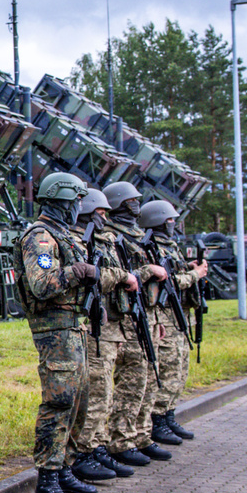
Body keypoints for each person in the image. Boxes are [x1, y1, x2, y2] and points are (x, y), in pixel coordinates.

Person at [17, 172, 100, 493]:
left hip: (72, 327)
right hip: (54, 330)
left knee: (78, 400)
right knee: (59, 401)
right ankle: (47, 480)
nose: (80, 207)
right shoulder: (41, 237)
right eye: (76, 201)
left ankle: (64, 467)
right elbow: (41, 285)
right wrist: (77, 272)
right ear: (62, 200)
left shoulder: (63, 235)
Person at [66, 188, 138, 485]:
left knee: (104, 390)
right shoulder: (78, 241)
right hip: (91, 325)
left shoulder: (99, 240)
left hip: (108, 323)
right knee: (96, 391)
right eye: (101, 212)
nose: (105, 218)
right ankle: (84, 451)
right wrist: (121, 276)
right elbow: (92, 275)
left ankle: (95, 446)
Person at [102, 182, 173, 464]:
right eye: (131, 200)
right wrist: (145, 271)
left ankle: (141, 435)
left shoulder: (138, 235)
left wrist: (155, 316)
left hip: (145, 312)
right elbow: (119, 274)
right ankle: (120, 440)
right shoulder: (110, 236)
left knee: (146, 377)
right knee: (131, 381)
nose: (136, 205)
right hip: (125, 315)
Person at [139, 199, 208, 440]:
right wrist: (194, 274)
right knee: (167, 369)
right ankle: (158, 421)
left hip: (179, 315)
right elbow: (167, 283)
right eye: (169, 219)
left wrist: (187, 267)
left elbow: (174, 273)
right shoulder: (150, 247)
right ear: (157, 221)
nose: (173, 223)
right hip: (165, 316)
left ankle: (169, 415)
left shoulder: (169, 245)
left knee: (179, 369)